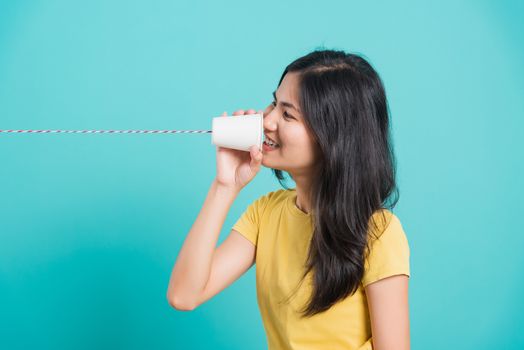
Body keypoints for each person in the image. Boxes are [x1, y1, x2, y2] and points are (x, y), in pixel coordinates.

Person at [166, 49, 410, 350]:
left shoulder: (379, 233)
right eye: (273, 103)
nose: (267, 121)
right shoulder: (265, 214)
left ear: (332, 138)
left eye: (287, 114)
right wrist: (225, 186)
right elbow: (184, 295)